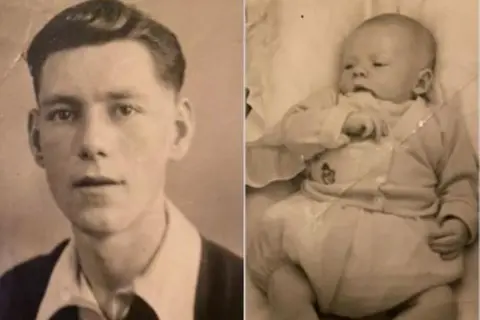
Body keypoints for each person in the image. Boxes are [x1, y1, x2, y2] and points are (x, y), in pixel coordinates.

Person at [0, 0, 243, 319]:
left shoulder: (240, 300)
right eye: (64, 114)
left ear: (179, 131)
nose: (91, 142)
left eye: (124, 110)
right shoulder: (10, 299)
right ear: (36, 140)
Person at [247, 13, 478, 320]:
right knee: (284, 282)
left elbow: (460, 180)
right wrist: (338, 122)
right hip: (317, 237)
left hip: (404, 255)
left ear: (421, 82)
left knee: (439, 301)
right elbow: (290, 130)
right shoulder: (332, 103)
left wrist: (459, 221)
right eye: (349, 66)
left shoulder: (440, 123)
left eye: (378, 64)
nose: (358, 74)